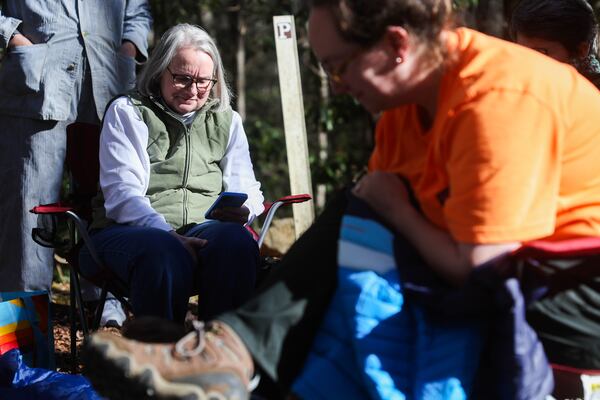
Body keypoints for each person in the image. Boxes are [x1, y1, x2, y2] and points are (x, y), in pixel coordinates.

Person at [84, 0, 600, 398]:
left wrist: (395, 210)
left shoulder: (496, 99)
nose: (339, 85)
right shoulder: (406, 103)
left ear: (397, 43)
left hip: (572, 284)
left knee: (365, 207)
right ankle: (232, 357)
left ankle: (232, 354)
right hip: (494, 258)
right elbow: (365, 229)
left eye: (341, 66)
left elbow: (481, 265)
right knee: (355, 213)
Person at [78, 23, 265, 324]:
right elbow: (122, 197)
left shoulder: (226, 121)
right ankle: (160, 357)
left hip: (203, 230)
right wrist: (168, 235)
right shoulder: (129, 111)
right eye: (182, 78)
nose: (193, 90)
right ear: (159, 71)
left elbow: (248, 186)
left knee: (235, 242)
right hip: (128, 232)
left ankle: (221, 354)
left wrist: (245, 209)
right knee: (163, 251)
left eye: (204, 81)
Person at [0, 1, 152, 293]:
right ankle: (26, 323)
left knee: (112, 197)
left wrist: (129, 47)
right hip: (36, 84)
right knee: (30, 207)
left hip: (109, 84)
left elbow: (138, 9)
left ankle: (108, 305)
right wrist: (12, 36)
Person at [511, 0, 600, 88]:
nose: (528, 63)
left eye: (540, 52)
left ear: (581, 50)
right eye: (522, 52)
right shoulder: (512, 86)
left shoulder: (593, 94)